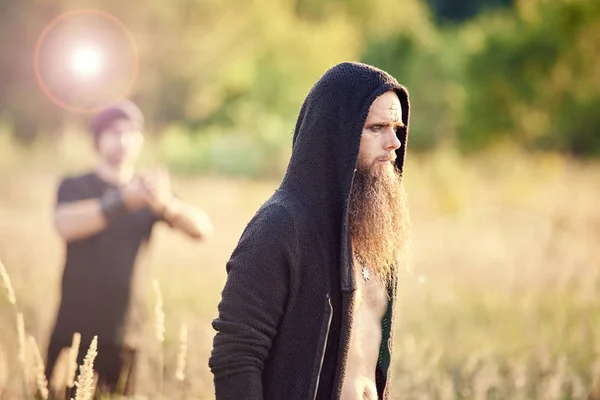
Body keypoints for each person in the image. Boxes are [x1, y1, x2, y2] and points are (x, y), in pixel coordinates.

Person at [209, 61, 411, 400]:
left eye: (396, 127)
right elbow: (236, 357)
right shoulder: (280, 227)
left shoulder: (376, 233)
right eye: (377, 128)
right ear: (336, 136)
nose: (394, 142)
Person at [45, 100, 213, 397]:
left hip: (125, 334)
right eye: (113, 133)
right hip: (73, 330)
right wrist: (123, 201)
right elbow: (65, 225)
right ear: (98, 139)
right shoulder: (76, 185)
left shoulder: (150, 193)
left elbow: (201, 229)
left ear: (139, 140)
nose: (122, 141)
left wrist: (166, 206)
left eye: (130, 133)